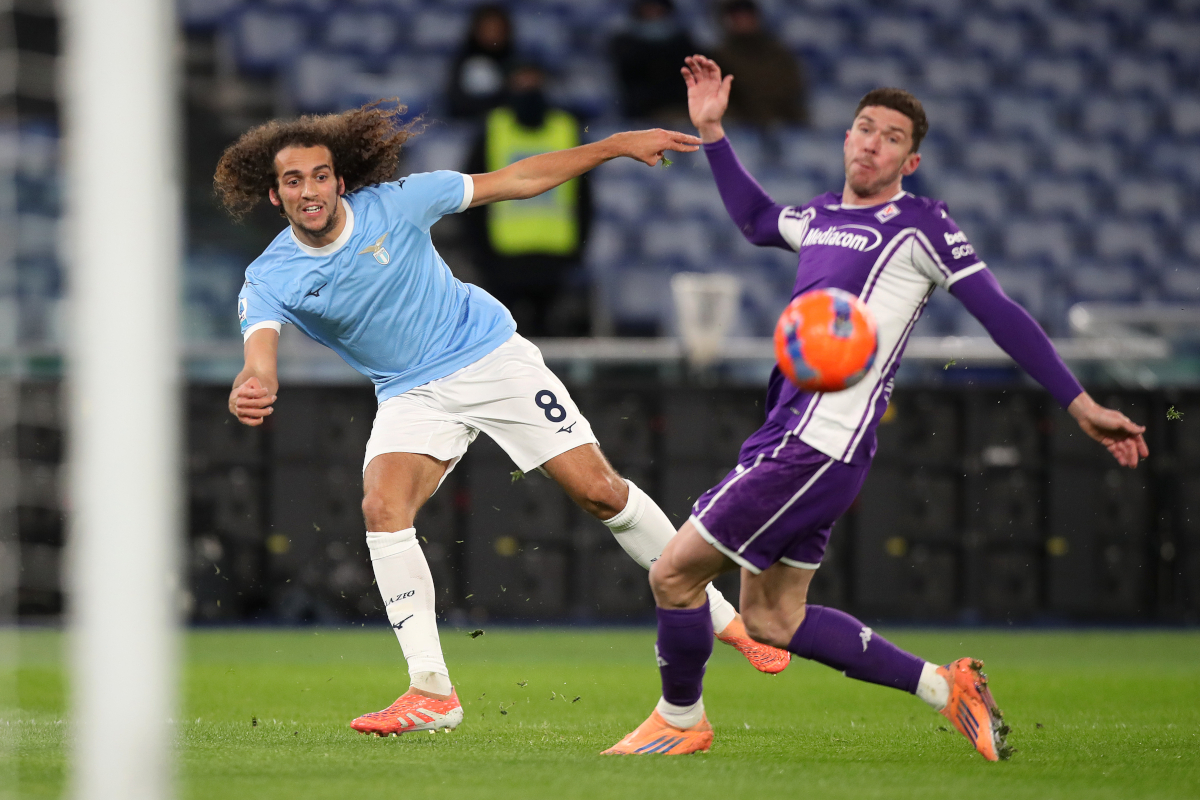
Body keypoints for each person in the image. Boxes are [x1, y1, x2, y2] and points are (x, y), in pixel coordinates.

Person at [604, 56, 1149, 760]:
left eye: (890, 137)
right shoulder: (822, 217)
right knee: (772, 618)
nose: (871, 143)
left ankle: (679, 722)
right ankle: (947, 688)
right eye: (863, 128)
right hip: (795, 433)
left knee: (673, 573)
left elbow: (1001, 312)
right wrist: (712, 131)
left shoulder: (921, 224)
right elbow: (755, 221)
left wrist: (1079, 403)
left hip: (818, 441)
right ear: (845, 139)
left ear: (910, 160)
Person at [215, 101, 791, 737]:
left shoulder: (398, 203)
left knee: (601, 494)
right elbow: (259, 359)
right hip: (409, 392)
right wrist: (253, 385)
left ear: (339, 181)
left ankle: (724, 618)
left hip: (489, 356)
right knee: (382, 508)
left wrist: (614, 144)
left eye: (319, 175)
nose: (309, 190)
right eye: (293, 181)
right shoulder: (270, 276)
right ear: (275, 196)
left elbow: (517, 179)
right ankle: (431, 691)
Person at [462, 61, 593, 336]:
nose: (529, 89)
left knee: (548, 349)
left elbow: (584, 196)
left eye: (534, 81)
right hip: (503, 261)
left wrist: (577, 252)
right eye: (523, 81)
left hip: (555, 261)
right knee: (504, 345)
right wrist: (482, 256)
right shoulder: (493, 128)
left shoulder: (566, 128)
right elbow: (471, 193)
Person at [711, 0, 808, 127]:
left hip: (781, 118)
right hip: (740, 121)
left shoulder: (777, 54)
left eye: (747, 16)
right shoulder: (719, 57)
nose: (743, 21)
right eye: (737, 17)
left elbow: (793, 87)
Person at [610, 0, 700, 120]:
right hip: (642, 111)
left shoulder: (684, 42)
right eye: (648, 8)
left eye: (657, 8)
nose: (652, 13)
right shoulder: (624, 43)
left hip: (680, 106)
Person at [447, 4, 513, 120]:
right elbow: (456, 101)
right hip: (467, 123)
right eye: (488, 28)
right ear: (476, 30)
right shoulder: (463, 63)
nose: (493, 34)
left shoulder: (515, 63)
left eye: (497, 29)